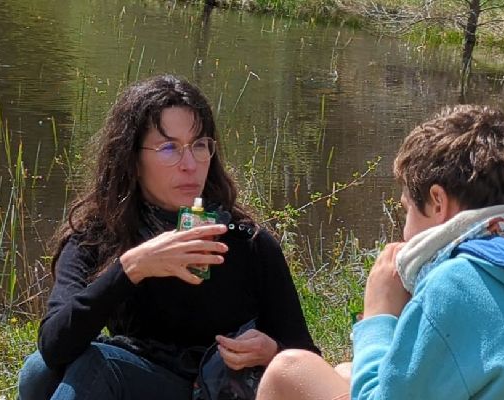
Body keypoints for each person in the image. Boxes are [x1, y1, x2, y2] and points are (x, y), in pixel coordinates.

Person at [256, 105, 504, 400]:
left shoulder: (459, 281)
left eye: (406, 209)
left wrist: (378, 316)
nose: (404, 230)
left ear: (437, 202)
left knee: (289, 369)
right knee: (343, 373)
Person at [16, 75, 318, 400]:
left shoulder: (247, 242)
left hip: (209, 388)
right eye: (169, 148)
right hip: (139, 373)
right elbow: (54, 345)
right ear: (132, 159)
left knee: (97, 367)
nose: (189, 165)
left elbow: (312, 364)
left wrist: (272, 351)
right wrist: (131, 268)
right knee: (38, 372)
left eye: (199, 145)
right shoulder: (99, 235)